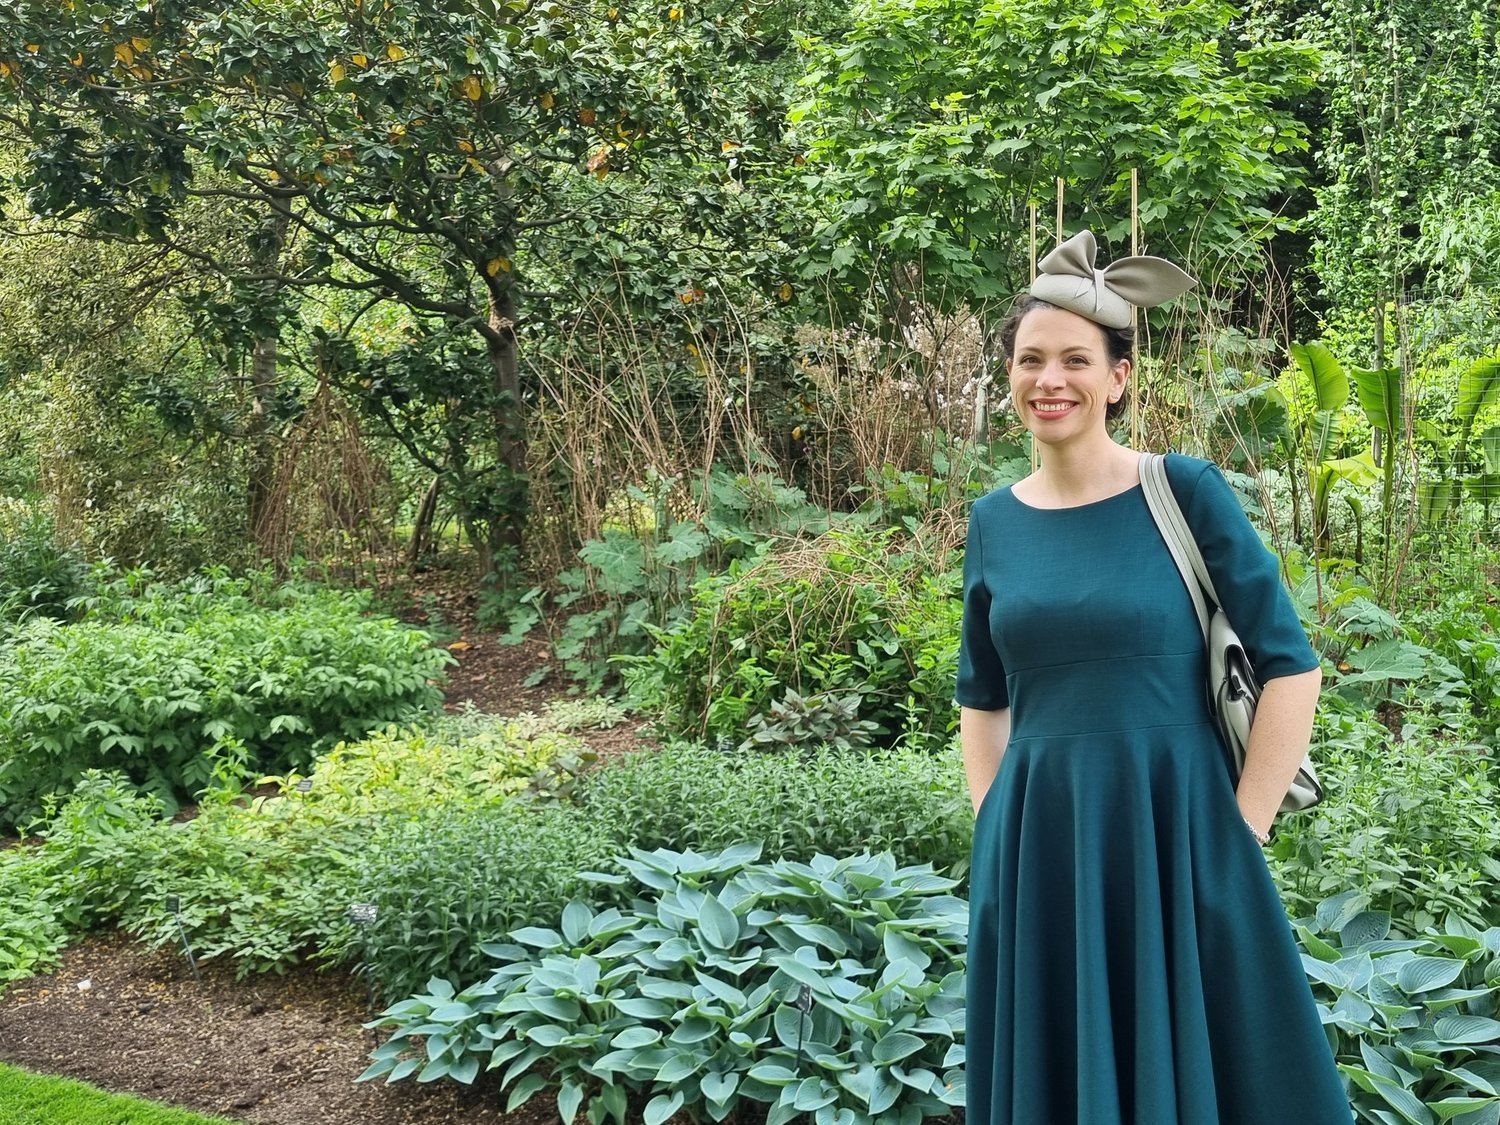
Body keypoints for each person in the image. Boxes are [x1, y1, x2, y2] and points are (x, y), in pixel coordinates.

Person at [956, 230, 1351, 1124]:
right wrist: (996, 828)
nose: (1049, 380)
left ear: (1119, 378)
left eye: (1074, 360)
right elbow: (983, 696)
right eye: (1030, 360)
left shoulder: (1183, 489)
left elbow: (1291, 667)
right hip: (1040, 846)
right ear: (1011, 377)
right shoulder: (992, 522)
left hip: (1174, 829)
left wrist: (1236, 833)